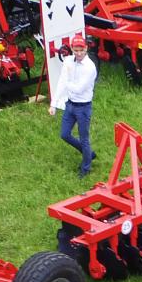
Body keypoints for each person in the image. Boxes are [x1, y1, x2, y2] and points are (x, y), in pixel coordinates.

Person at [50, 33, 97, 177]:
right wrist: (53, 104)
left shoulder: (90, 67)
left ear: (86, 48)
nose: (79, 53)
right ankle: (88, 154)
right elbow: (61, 82)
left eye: (81, 50)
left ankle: (86, 168)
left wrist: (67, 82)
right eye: (76, 50)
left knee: (84, 138)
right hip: (70, 104)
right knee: (64, 134)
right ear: (71, 49)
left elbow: (78, 89)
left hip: (83, 107)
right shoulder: (68, 61)